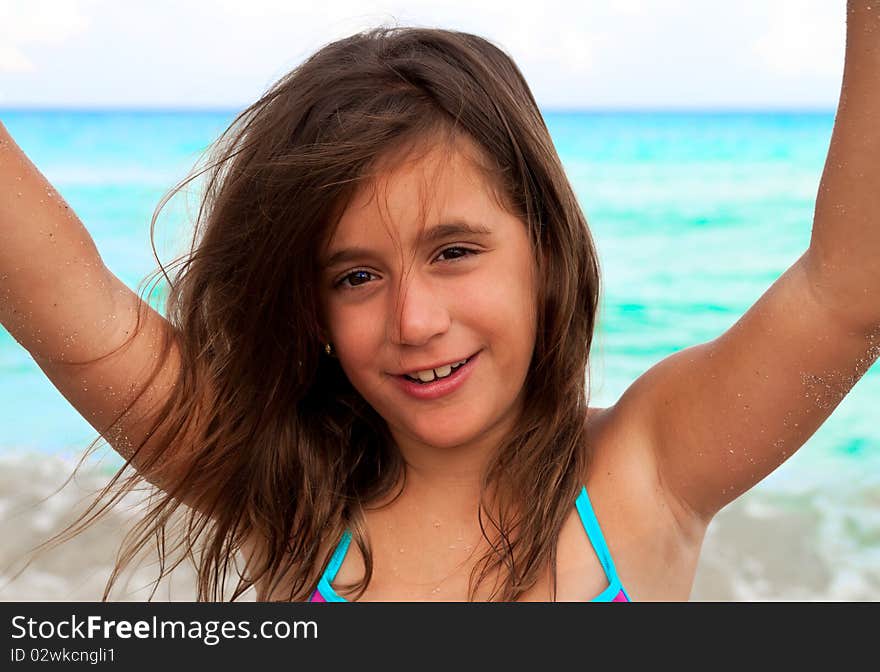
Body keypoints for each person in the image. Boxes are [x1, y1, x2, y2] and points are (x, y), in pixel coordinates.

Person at [1, 8, 878, 602]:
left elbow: (851, 288)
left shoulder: (646, 469)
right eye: (355, 276)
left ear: (545, 248)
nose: (415, 321)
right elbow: (59, 294)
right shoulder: (284, 492)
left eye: (454, 252)